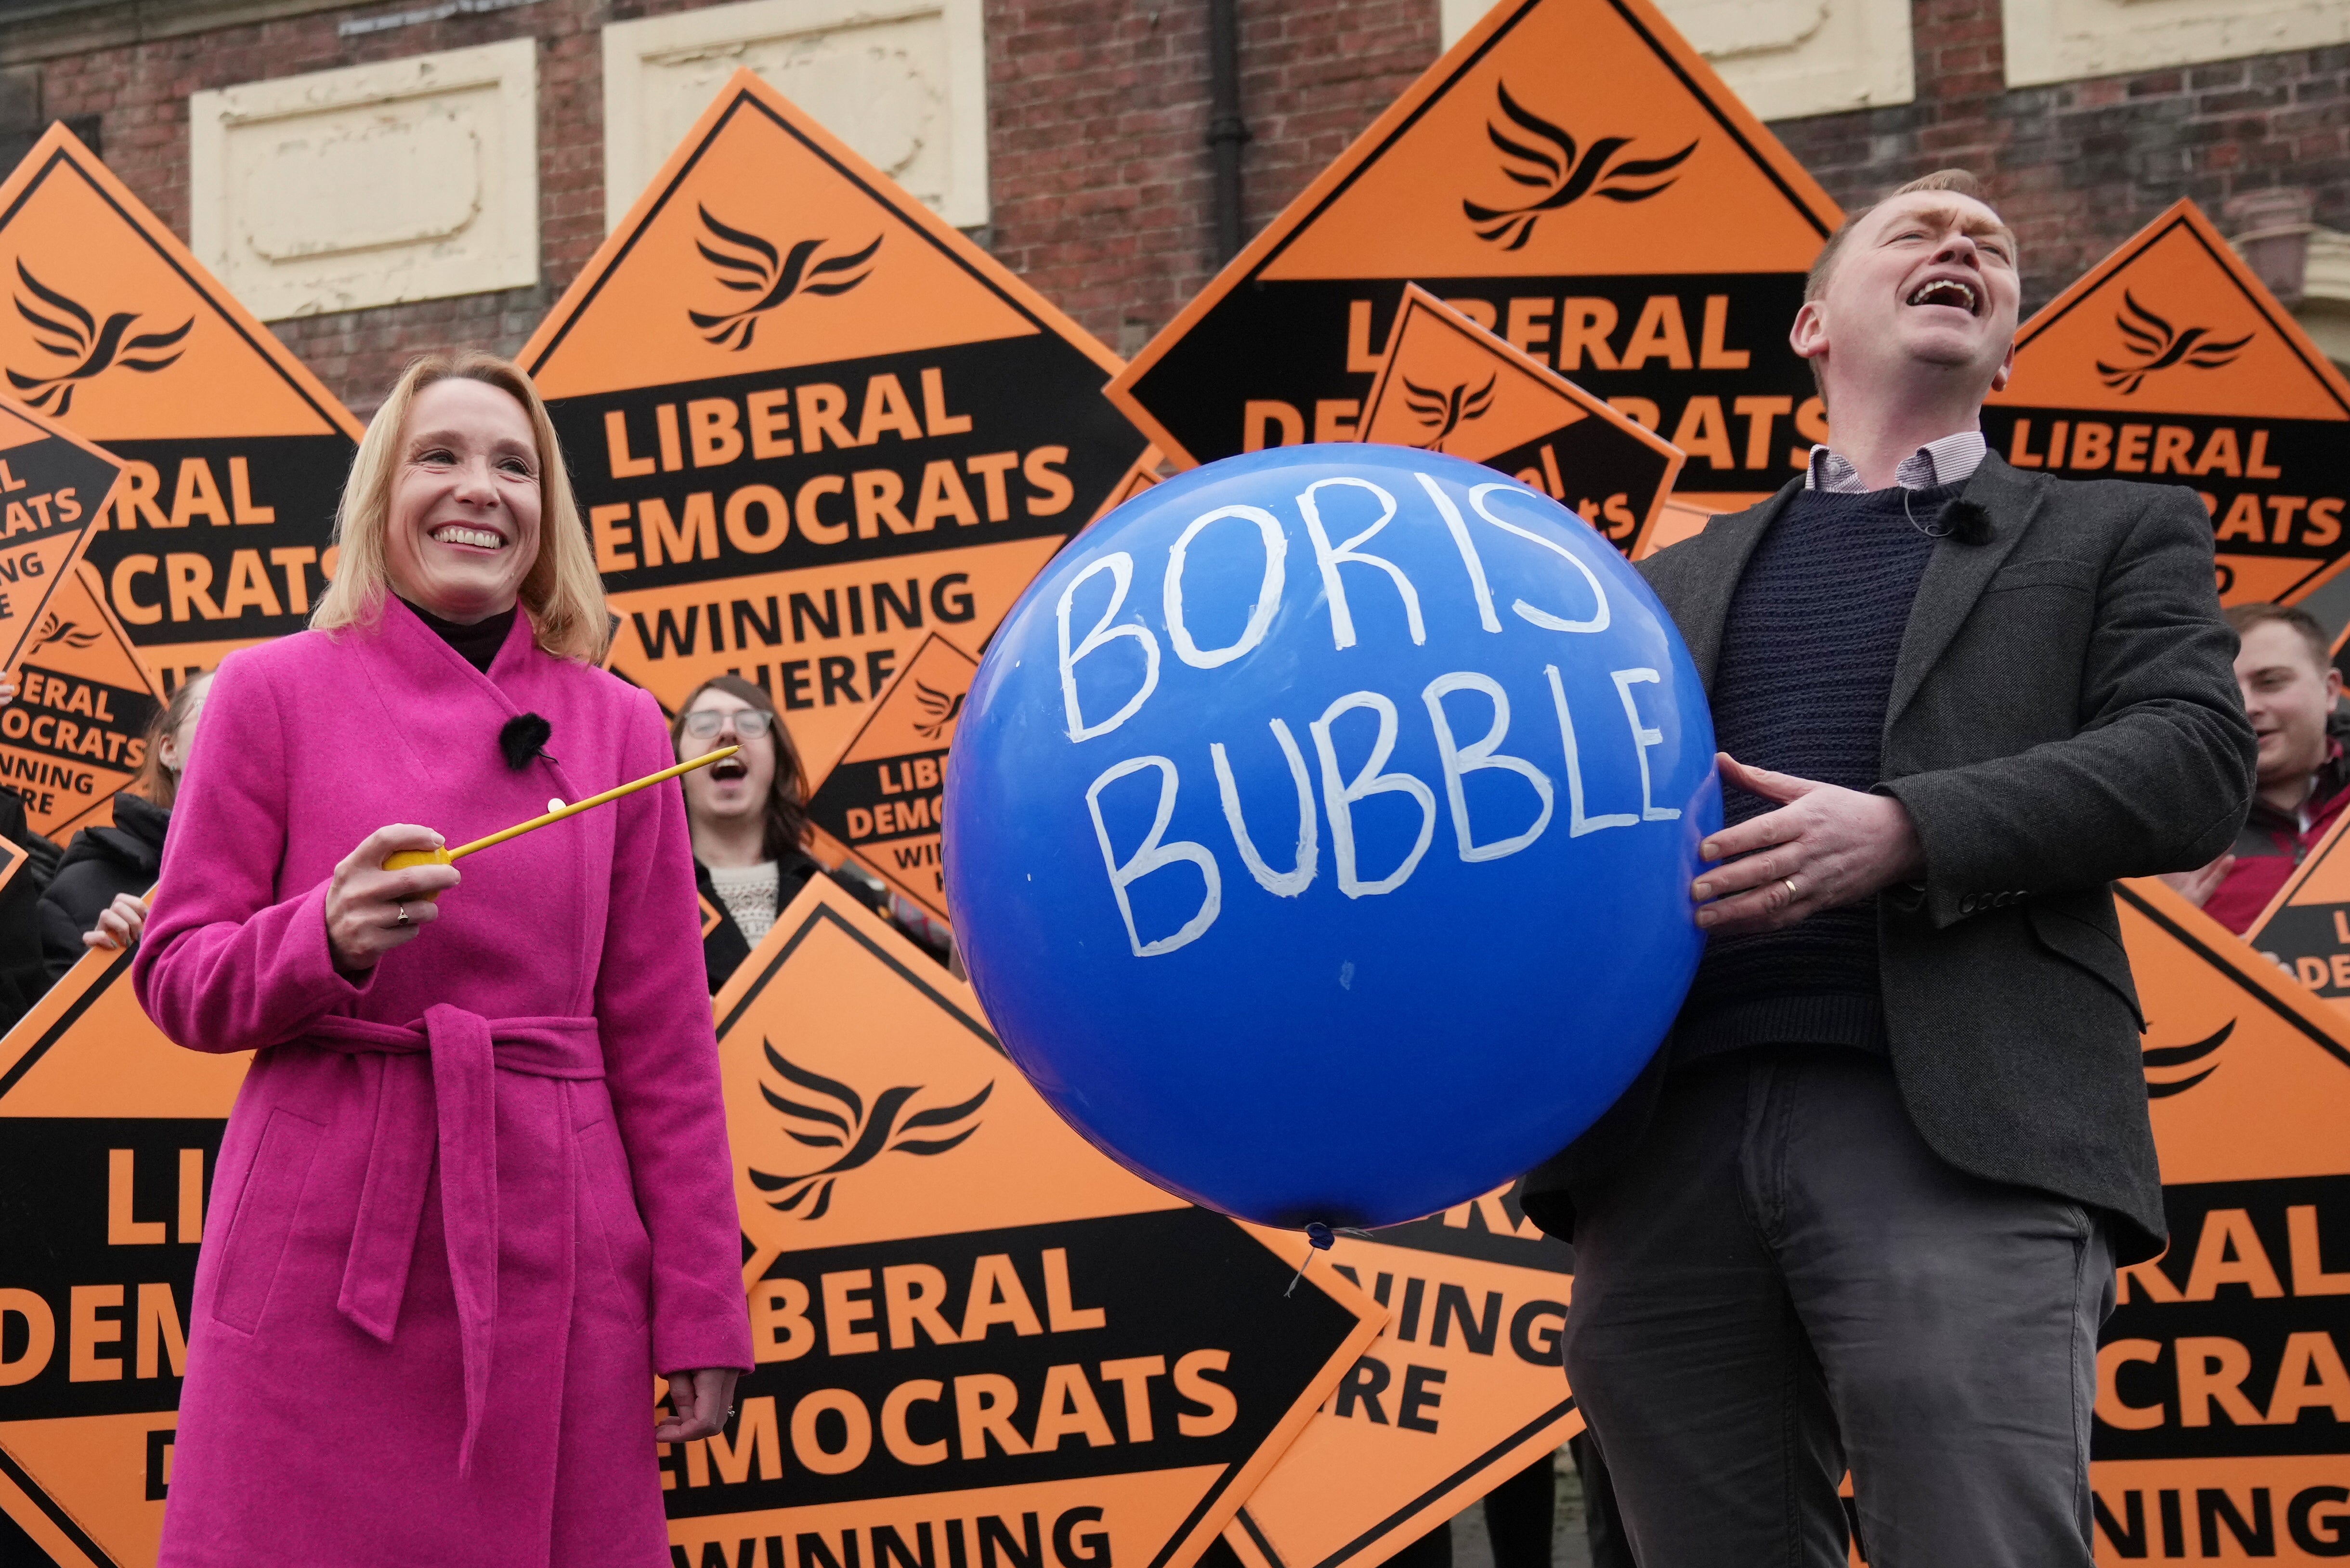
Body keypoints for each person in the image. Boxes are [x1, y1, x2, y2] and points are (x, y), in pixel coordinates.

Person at [1522, 170, 2254, 1568]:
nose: (1964, 245)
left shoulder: (2112, 531)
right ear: (1813, 327)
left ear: (2008, 342)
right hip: (1668, 1141)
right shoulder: (1655, 584)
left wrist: (1910, 827)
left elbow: (2192, 761)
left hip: (1955, 1127)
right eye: (1919, 232)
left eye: (1992, 243)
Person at [133, 353, 752, 1567]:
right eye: (442, 456)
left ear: (546, 510)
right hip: (323, 1244)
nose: (481, 489)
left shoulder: (622, 723)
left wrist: (700, 1302)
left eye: (513, 466)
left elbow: (667, 1047)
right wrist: (320, 935)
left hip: (556, 1239)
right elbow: (178, 973)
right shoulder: (267, 694)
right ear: (383, 495)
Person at [2159, 601, 2349, 932]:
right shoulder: (2162, 836)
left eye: (2270, 681)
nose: (2244, 707)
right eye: (2224, 691)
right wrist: (2152, 926)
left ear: (2330, 690)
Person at [38, 671, 212, 979]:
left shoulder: (305, 879)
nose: (236, 725)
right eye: (214, 708)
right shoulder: (83, 890)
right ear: (169, 750)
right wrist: (102, 972)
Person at [673, 673, 832, 990]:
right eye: (705, 724)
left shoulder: (844, 898)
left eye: (750, 723)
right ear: (674, 759)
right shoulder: (643, 909)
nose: (729, 732)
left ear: (777, 759)